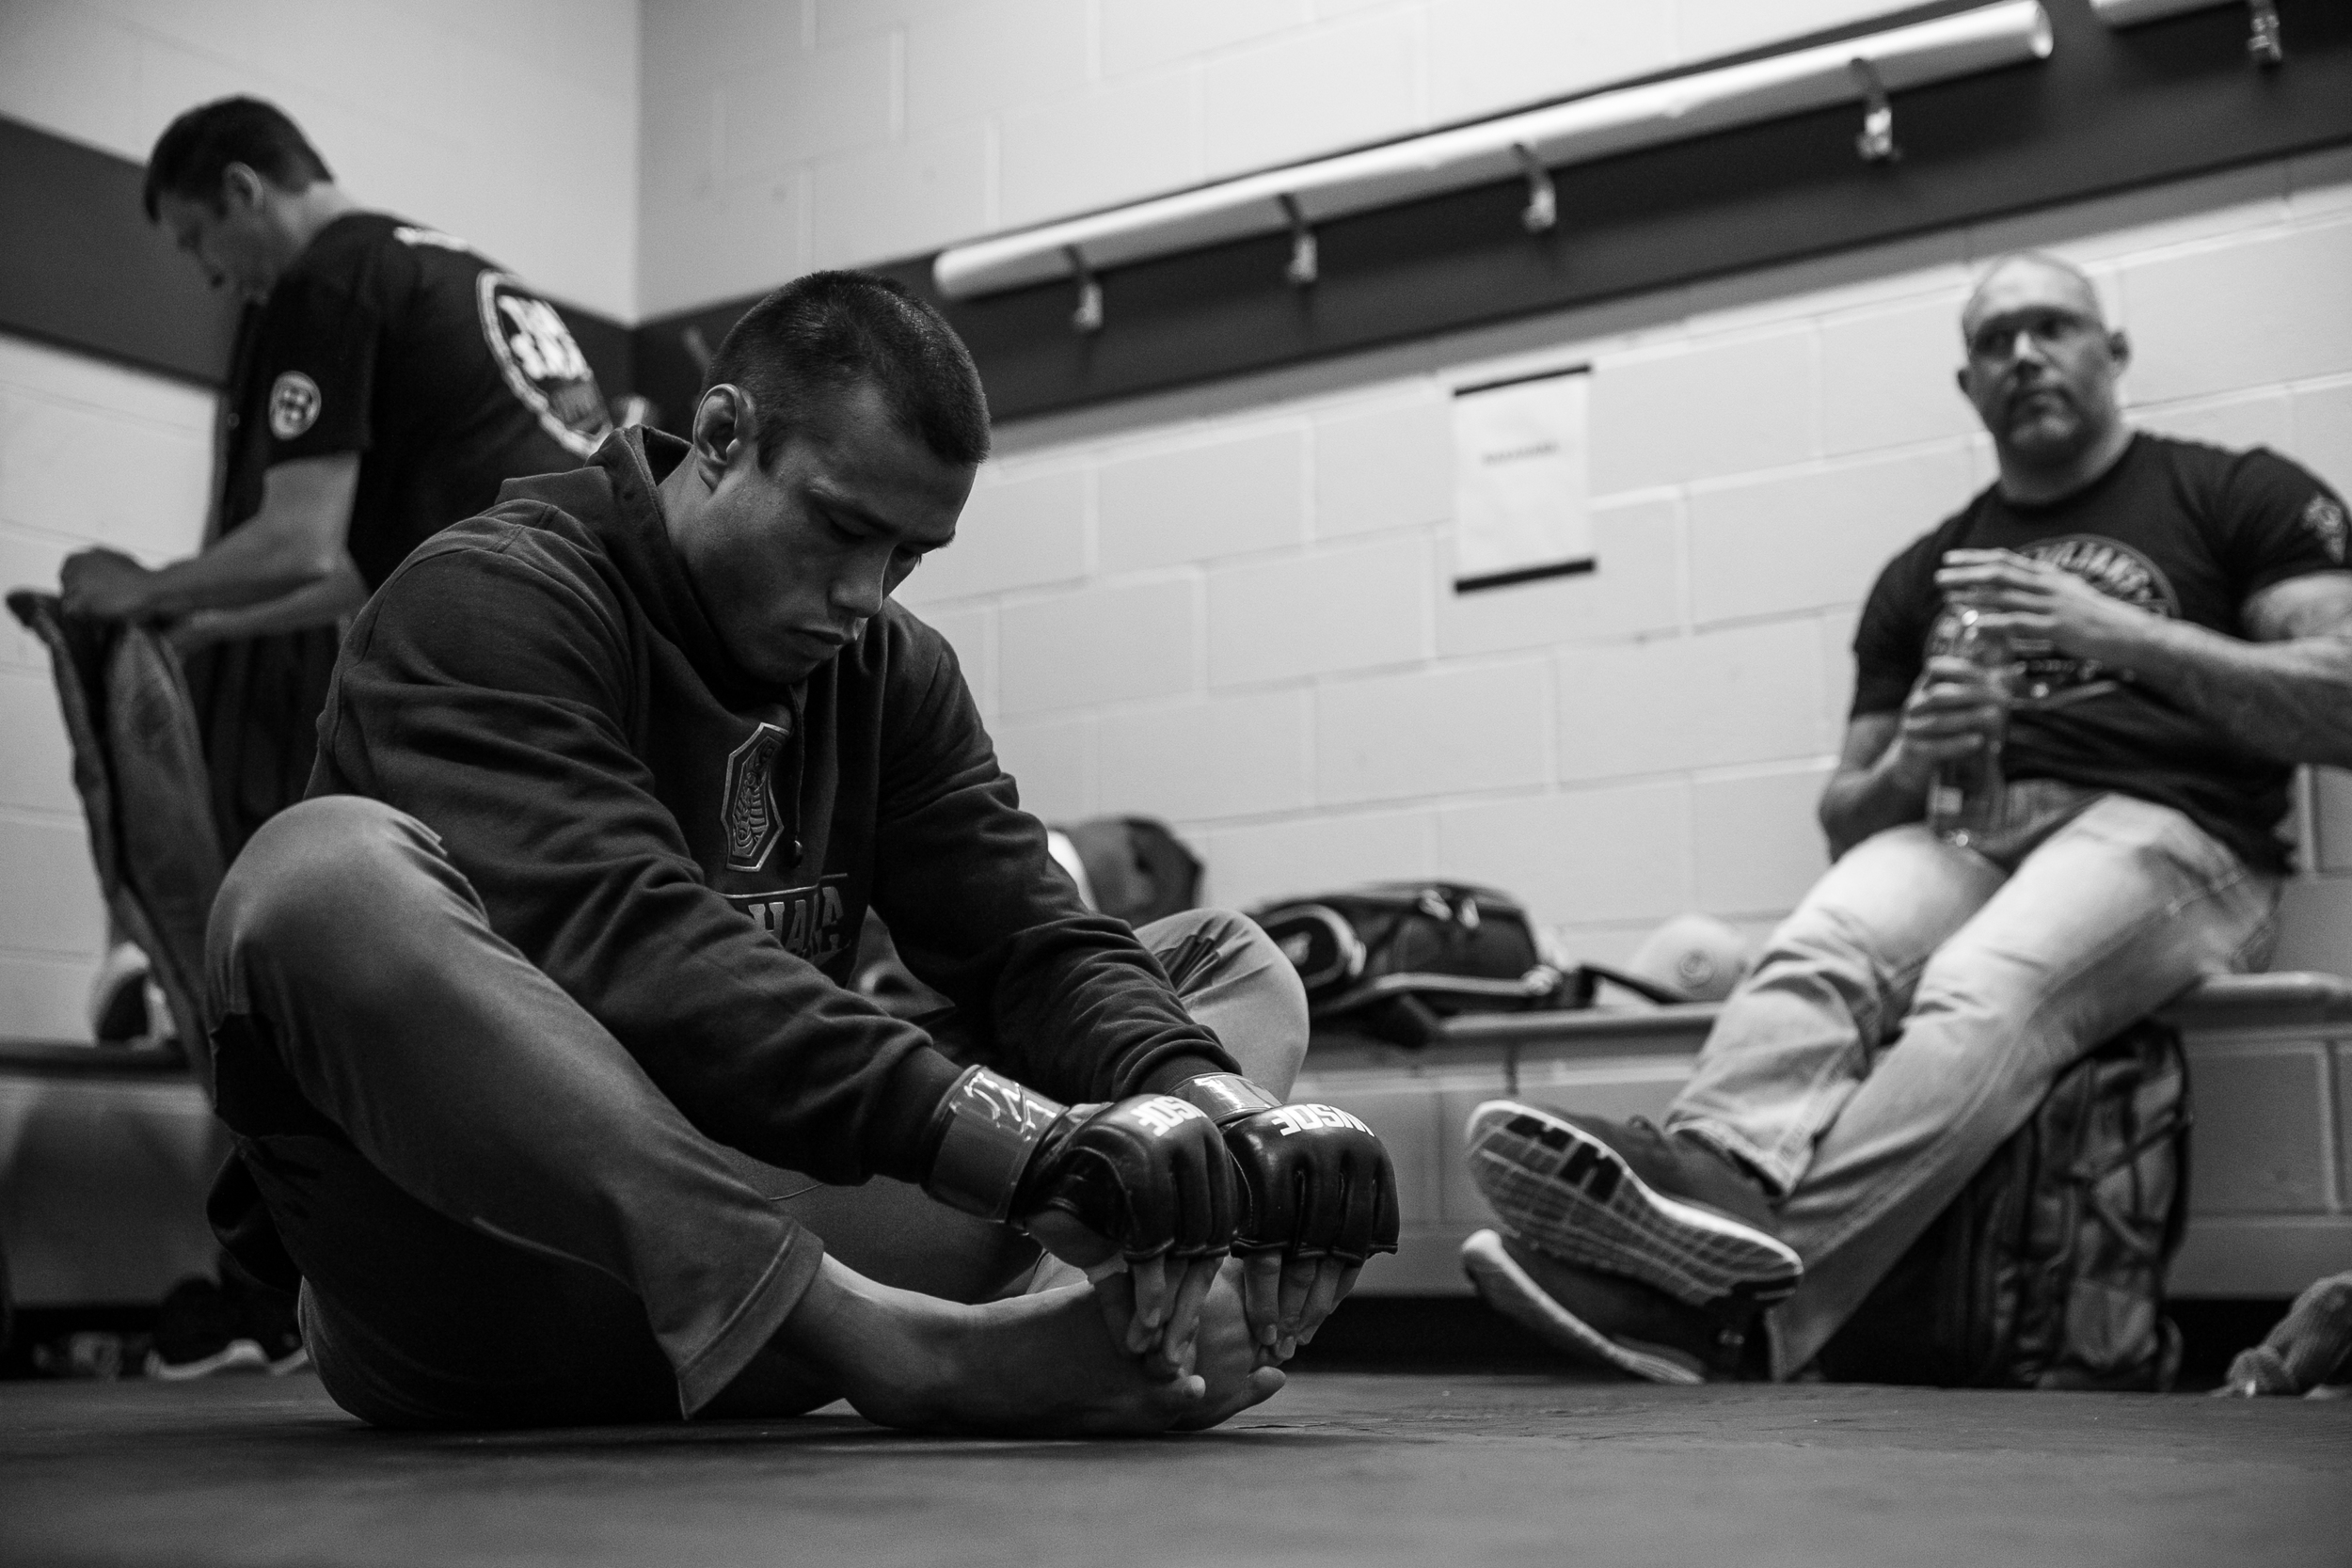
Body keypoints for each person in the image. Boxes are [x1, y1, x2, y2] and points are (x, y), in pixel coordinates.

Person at [203, 271, 1399, 1433]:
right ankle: (921, 1350)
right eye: (840, 528)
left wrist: (1226, 1118)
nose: (865, 594)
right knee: (316, 875)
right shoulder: (491, 597)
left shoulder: (887, 666)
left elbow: (1031, 941)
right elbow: (636, 951)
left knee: (1220, 966)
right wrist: (1024, 1149)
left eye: (909, 558)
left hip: (790, 1231)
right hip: (491, 1273)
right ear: (722, 434)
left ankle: (1079, 1326)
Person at [1460, 251, 2352, 1384]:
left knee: (1982, 989)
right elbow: (1847, 812)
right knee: (1823, 938)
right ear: (1967, 384)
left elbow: (2342, 696)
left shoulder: (2236, 494)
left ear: (2112, 353)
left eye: (2052, 327)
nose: (2023, 354)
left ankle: (1734, 1308)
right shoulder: (1924, 570)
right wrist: (1912, 762)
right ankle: (1715, 1171)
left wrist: (2119, 635)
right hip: (1970, 830)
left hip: (2176, 831)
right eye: (1994, 341)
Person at [58, 96, 613, 861]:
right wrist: (209, 626)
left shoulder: (325, 278)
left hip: (513, 660)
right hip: (597, 646)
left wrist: (145, 587)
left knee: (331, 871)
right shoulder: (446, 264)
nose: (211, 278)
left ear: (244, 192)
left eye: (197, 241)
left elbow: (300, 543)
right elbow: (365, 568)